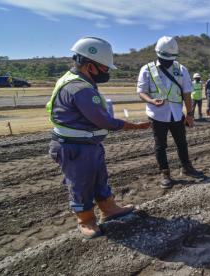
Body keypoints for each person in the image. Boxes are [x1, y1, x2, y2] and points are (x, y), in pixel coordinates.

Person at [47, 37, 150, 239]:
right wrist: (133, 126)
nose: (107, 72)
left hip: (88, 144)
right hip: (74, 147)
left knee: (99, 178)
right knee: (81, 184)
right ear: (90, 66)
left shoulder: (78, 81)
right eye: (105, 67)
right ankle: (85, 220)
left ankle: (109, 209)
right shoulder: (80, 89)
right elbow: (103, 121)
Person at [136, 36, 203, 189]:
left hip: (177, 114)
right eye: (164, 58)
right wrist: (151, 101)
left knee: (182, 143)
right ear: (157, 53)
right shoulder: (146, 69)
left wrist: (190, 114)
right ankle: (164, 173)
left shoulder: (181, 70)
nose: (167, 61)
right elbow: (141, 91)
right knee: (160, 145)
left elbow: (187, 93)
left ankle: (187, 167)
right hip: (157, 115)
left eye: (171, 58)